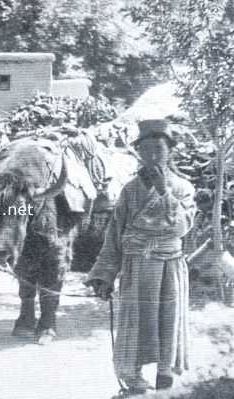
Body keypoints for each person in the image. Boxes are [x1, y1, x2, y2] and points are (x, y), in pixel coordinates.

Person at [84, 119, 196, 395]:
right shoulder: (130, 190)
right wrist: (104, 275)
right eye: (146, 150)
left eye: (159, 148)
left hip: (169, 265)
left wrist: (163, 191)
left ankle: (165, 374)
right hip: (136, 266)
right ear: (139, 153)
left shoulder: (183, 187)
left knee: (167, 320)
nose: (153, 155)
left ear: (170, 151)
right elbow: (114, 236)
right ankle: (132, 377)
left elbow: (182, 227)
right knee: (135, 322)